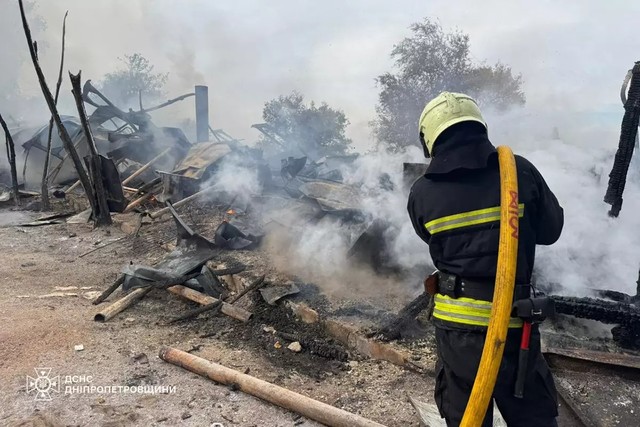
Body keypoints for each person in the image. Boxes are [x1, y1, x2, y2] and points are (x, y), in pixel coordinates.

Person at [407, 92, 564, 427]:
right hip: (514, 327)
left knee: (467, 417)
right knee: (532, 416)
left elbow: (430, 239)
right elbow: (551, 230)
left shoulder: (422, 192)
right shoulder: (518, 171)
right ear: (479, 126)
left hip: (457, 333)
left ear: (429, 138)